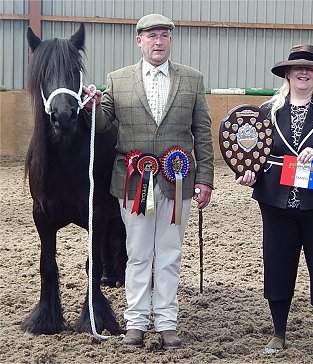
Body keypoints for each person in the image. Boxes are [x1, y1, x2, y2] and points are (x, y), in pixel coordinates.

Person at [83, 14, 214, 349]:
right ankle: (136, 322)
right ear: (138, 40)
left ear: (170, 40)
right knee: (137, 254)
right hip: (132, 181)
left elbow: (202, 134)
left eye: (165, 36)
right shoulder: (117, 80)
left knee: (169, 254)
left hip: (178, 180)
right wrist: (92, 105)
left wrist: (206, 179)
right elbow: (102, 123)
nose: (159, 42)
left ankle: (168, 322)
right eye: (152, 36)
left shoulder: (193, 80)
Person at [236, 44, 313, 357]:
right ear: (288, 73)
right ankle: (278, 332)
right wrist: (250, 173)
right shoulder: (268, 110)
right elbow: (257, 155)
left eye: (310, 68)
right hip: (276, 202)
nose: (303, 72)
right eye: (297, 68)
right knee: (277, 265)